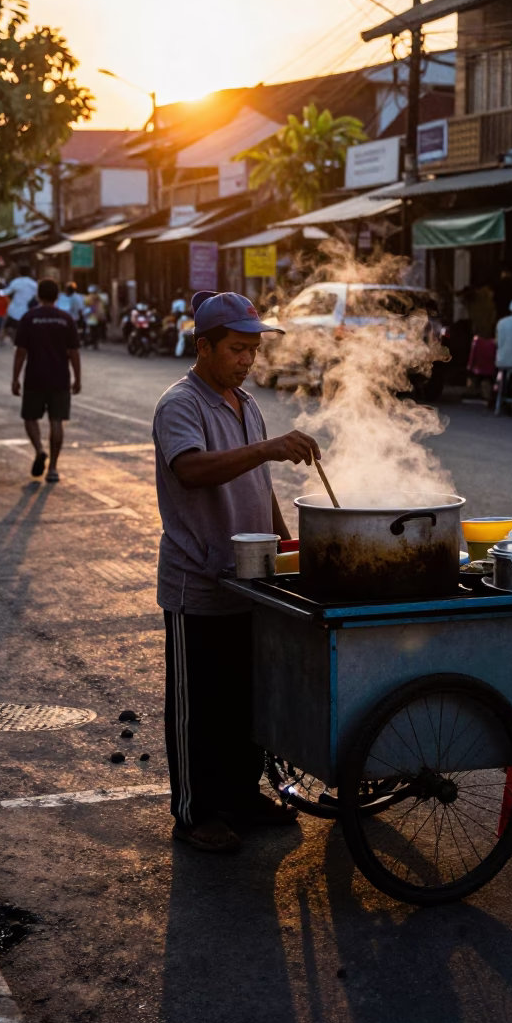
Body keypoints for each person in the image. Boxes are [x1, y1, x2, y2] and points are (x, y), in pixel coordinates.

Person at [153, 290, 321, 854]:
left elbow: (259, 486)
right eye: (235, 349)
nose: (247, 360)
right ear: (203, 346)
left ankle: (242, 798)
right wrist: (270, 448)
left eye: (252, 350)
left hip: (251, 581)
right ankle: (194, 813)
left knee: (245, 700)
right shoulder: (181, 404)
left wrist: (288, 544)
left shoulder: (246, 404)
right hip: (197, 584)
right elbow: (193, 470)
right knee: (198, 708)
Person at [12, 278, 81, 483]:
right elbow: (73, 352)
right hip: (60, 378)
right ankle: (53, 468)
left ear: (38, 296)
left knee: (30, 418)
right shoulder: (66, 319)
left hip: (34, 377)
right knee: (56, 421)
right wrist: (78, 378)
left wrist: (15, 378)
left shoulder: (29, 318)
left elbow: (21, 352)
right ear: (57, 296)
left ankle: (40, 450)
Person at [1, 265, 39, 338]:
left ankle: (1, 340)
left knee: (7, 328)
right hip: (29, 312)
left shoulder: (16, 282)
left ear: (19, 273)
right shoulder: (34, 284)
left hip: (14, 312)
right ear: (30, 273)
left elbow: (5, 292)